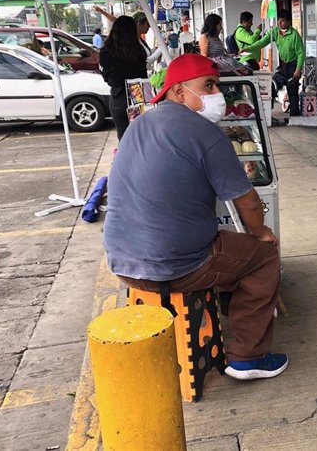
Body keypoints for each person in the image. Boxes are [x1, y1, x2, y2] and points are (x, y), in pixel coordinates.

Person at [103, 53, 288, 380]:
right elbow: (248, 201)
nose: (216, 94)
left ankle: (223, 310)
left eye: (216, 85)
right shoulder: (204, 132)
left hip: (122, 262)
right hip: (177, 266)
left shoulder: (140, 123)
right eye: (208, 85)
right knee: (262, 256)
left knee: (231, 254)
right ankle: (249, 356)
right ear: (178, 92)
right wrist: (260, 233)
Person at [242, 9, 305, 117]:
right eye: (279, 21)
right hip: (283, 65)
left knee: (292, 91)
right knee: (273, 84)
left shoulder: (294, 35)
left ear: (289, 22)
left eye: (283, 21)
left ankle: (295, 117)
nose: (280, 23)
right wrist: (248, 49)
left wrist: (298, 69)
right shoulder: (275, 31)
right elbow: (262, 42)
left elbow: (301, 53)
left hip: (293, 65)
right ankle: (267, 114)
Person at [99, 16, 148, 140]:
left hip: (118, 97)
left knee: (123, 137)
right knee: (139, 136)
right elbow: (143, 75)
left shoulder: (106, 51)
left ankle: (125, 159)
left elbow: (106, 77)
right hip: (136, 95)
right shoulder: (138, 50)